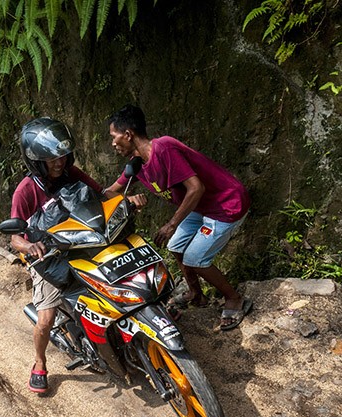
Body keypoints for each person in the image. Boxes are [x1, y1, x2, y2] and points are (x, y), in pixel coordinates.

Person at [103, 104, 252, 331]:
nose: (113, 143)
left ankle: (234, 299)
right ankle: (196, 294)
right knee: (175, 246)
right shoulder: (136, 164)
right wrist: (129, 199)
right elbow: (109, 192)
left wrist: (172, 224)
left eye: (114, 137)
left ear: (128, 134)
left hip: (226, 204)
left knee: (195, 258)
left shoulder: (163, 148)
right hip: (200, 207)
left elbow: (196, 188)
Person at [10, 117, 103, 394]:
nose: (59, 163)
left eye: (62, 156)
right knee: (46, 319)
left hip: (82, 245)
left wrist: (127, 198)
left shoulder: (73, 174)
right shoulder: (26, 191)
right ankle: (39, 362)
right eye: (51, 159)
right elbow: (15, 238)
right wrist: (30, 247)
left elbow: (102, 196)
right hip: (48, 260)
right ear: (37, 161)